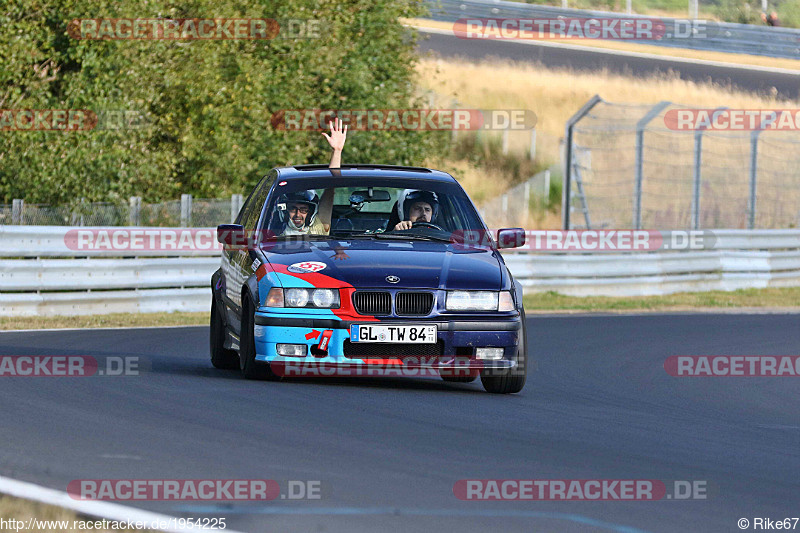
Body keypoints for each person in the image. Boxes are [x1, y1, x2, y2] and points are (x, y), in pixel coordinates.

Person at [278, 118, 347, 236]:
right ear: (285, 211)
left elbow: (331, 186)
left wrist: (337, 151)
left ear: (311, 212)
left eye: (303, 209)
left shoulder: (317, 230)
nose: (297, 215)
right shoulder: (274, 234)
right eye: (293, 209)